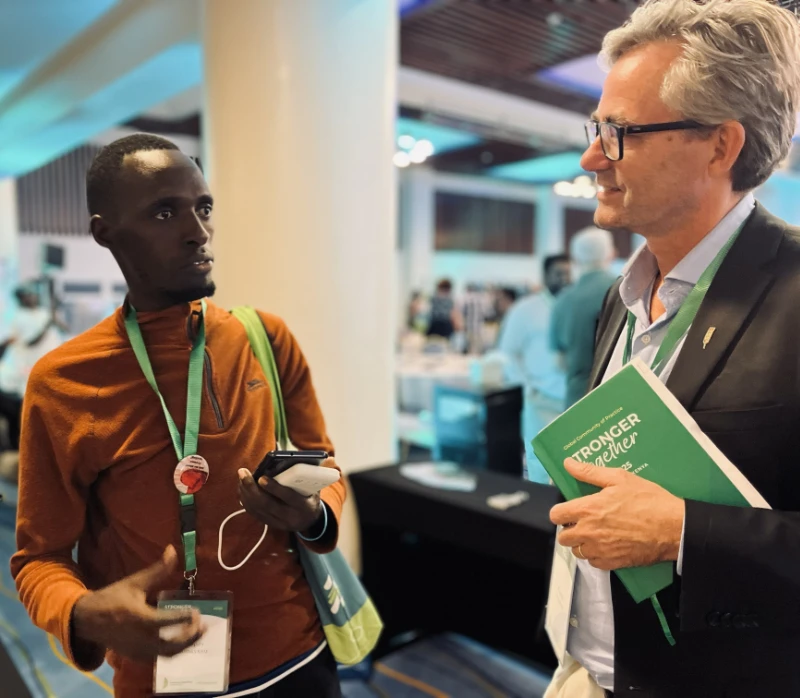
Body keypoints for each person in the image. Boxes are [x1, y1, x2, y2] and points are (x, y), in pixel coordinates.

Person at [10, 134, 346, 698]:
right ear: (105, 232)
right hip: (164, 678)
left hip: (301, 657)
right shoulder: (64, 381)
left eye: (204, 208)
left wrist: (311, 512)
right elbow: (37, 559)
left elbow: (328, 466)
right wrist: (83, 612)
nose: (199, 231)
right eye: (165, 212)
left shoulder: (265, 337)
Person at [544, 1, 800, 696]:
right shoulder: (617, 297)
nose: (591, 156)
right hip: (589, 673)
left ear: (721, 146)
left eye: (620, 133)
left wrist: (685, 533)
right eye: (596, 128)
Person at [497, 255, 571, 483]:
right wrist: (526, 385)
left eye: (568, 273)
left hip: (574, 397)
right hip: (540, 397)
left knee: (572, 464)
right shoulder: (526, 310)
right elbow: (508, 352)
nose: (565, 279)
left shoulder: (576, 306)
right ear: (545, 276)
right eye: (559, 273)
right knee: (540, 463)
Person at [550, 228, 617, 408]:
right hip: (618, 400)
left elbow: (560, 362)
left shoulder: (563, 300)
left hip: (577, 403)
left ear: (575, 259)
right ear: (611, 254)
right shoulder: (626, 290)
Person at [0, 285, 63, 451]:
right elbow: (30, 342)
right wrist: (47, 324)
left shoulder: (43, 313)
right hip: (31, 371)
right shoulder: (18, 318)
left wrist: (53, 315)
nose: (31, 297)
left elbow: (63, 328)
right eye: (26, 295)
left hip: (52, 368)